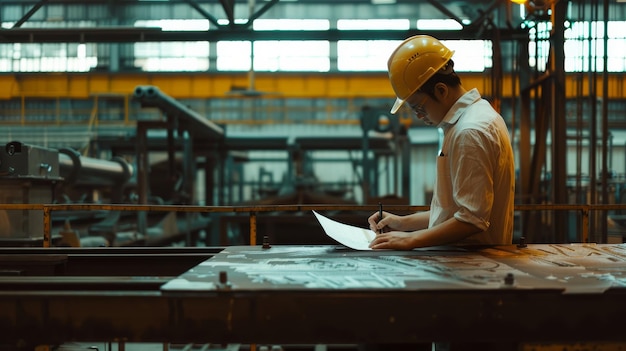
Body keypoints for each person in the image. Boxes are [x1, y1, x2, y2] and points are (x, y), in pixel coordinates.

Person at [368, 35, 515, 250]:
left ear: (441, 90)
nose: (419, 116)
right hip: (464, 261)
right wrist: (402, 223)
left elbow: (471, 219)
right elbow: (455, 211)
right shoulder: (470, 120)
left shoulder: (470, 131)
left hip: (471, 267)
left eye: (419, 107)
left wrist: (410, 240)